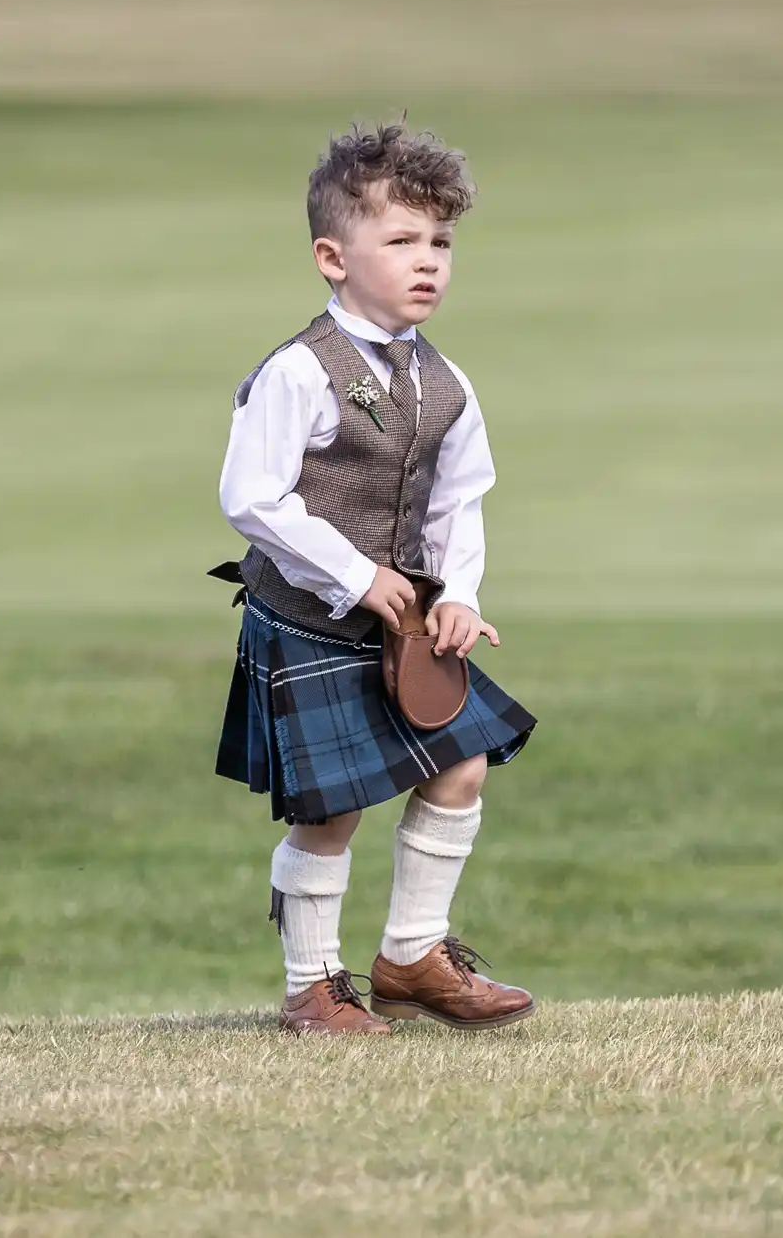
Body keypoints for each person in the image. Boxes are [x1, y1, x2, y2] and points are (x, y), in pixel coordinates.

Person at [213, 122, 538, 1035]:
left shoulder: (447, 384)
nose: (428, 261)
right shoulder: (298, 371)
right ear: (332, 255)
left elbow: (461, 499)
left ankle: (410, 958)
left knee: (463, 764)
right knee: (335, 807)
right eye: (401, 240)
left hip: (405, 627)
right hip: (312, 621)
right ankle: (312, 988)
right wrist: (356, 575)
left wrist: (461, 594)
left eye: (441, 242)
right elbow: (251, 498)